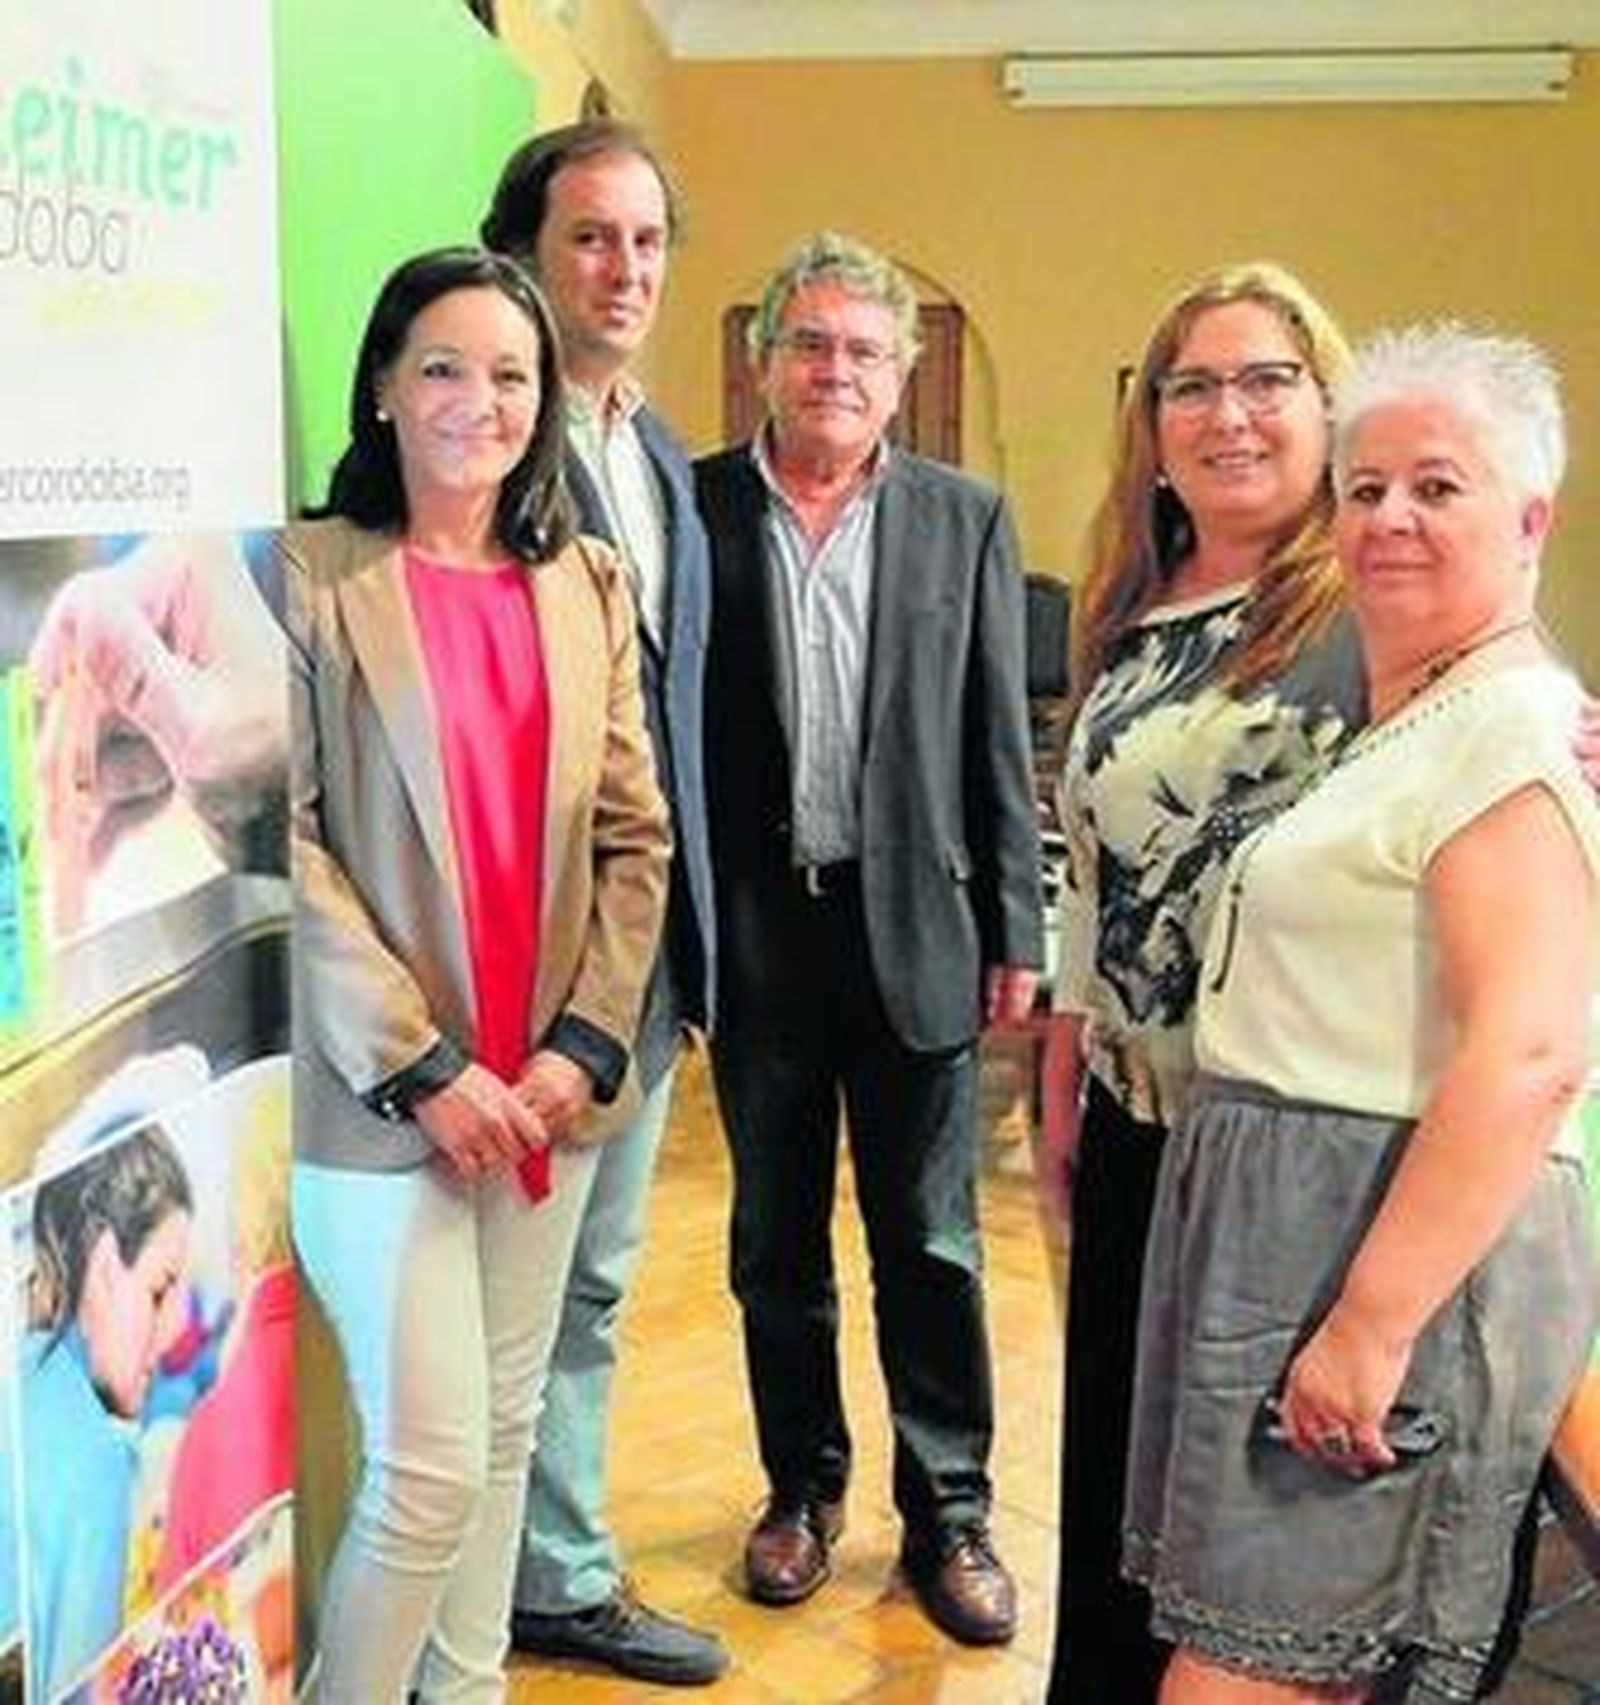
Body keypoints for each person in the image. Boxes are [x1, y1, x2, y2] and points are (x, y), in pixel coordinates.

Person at [1125, 322, 1600, 1701]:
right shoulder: (1417, 716)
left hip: (1378, 1246)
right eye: (1366, 485)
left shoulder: (1513, 727)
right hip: (1300, 1230)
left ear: (1530, 516)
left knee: (1255, 1678)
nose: (1388, 516)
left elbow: (1528, 1051)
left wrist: (1372, 1326)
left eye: (1436, 486)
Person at [286, 246, 670, 1703]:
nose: (479, 400)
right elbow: (289, 845)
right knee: (430, 1468)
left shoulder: (586, 581)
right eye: (442, 367)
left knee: (505, 1437)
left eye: (511, 373)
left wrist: (582, 1047)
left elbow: (640, 842)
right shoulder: (309, 575)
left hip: (549, 1098)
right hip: (386, 1108)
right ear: (383, 387)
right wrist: (424, 1065)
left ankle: (470, 1690)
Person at [696, 231, 1044, 1647]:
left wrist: (1017, 921)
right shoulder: (692, 506)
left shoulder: (965, 517)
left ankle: (950, 1512)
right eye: (811, 343)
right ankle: (799, 1490)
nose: (835, 369)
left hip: (923, 933)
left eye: (864, 349)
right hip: (763, 939)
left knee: (935, 1243)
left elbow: (998, 736)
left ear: (900, 378)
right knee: (775, 1244)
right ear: (764, 359)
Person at [1038, 261, 1368, 1704]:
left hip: (1289, 1138)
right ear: (1153, 424)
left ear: (1327, 404)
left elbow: (1515, 735)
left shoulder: (1376, 597)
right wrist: (1063, 1071)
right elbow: (1093, 871)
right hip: (1132, 1113)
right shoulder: (1131, 600)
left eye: (1266, 379)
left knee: (1238, 1502)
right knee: (1117, 1459)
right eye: (1193, 384)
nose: (1228, 413)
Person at [478, 121, 724, 1687]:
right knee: (515, 1306)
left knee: (598, 1284)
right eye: (592, 238)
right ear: (521, 252)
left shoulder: (658, 455)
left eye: (645, 242)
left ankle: (547, 1565)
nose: (625, 271)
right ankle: (512, 1581)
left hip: (647, 958)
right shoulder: (485, 434)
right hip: (522, 963)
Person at [22, 1126, 194, 1699]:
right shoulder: (96, 1462)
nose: (172, 1332)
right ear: (100, 1265)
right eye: (158, 1291)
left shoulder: (24, 1379)